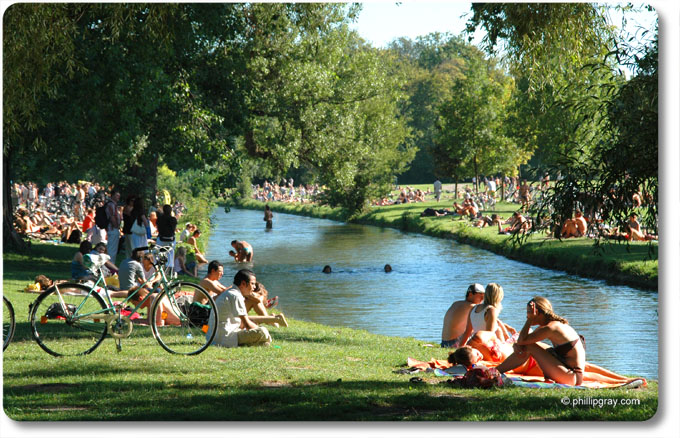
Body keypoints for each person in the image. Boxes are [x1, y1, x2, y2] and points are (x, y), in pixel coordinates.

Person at [495, 297, 585, 386]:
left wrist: (529, 320)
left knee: (529, 346)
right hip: (568, 373)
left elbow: (522, 341)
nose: (527, 316)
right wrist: (516, 345)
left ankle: (495, 372)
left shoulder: (551, 328)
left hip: (572, 377)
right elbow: (523, 341)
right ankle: (495, 371)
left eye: (529, 312)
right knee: (529, 345)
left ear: (537, 313)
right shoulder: (550, 326)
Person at [207, 269, 273, 348]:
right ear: (243, 284)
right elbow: (247, 325)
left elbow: (241, 324)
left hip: (216, 337)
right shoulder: (235, 296)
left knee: (263, 340)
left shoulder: (231, 293)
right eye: (252, 284)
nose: (254, 287)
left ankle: (258, 343)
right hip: (225, 337)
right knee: (263, 331)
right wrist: (260, 330)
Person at [440, 283, 486, 348]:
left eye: (484, 296)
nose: (482, 299)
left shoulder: (456, 303)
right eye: (480, 296)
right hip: (454, 343)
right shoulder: (472, 306)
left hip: (444, 343)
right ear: (470, 294)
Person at [156, 204, 178, 270]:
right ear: (171, 211)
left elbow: (158, 228)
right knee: (171, 252)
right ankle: (170, 267)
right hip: (170, 240)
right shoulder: (173, 219)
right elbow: (173, 229)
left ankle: (159, 266)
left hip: (161, 239)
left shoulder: (160, 219)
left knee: (159, 252)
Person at [105, 191, 122, 261]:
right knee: (112, 249)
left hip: (113, 229)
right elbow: (112, 217)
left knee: (112, 249)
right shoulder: (111, 205)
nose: (118, 197)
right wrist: (116, 226)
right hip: (112, 228)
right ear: (112, 196)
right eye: (117, 195)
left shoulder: (114, 205)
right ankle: (110, 264)